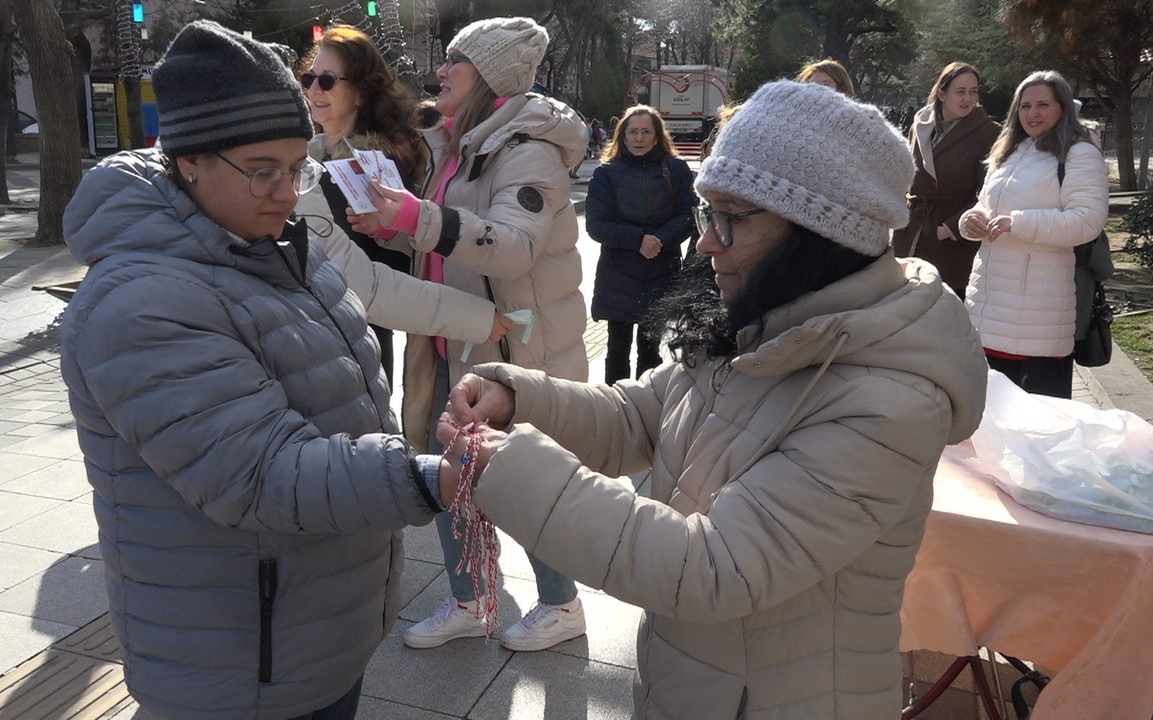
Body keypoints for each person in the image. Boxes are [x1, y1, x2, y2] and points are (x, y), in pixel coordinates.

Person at [439, 80, 988, 718]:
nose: (705, 242)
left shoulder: (889, 400)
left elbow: (714, 568)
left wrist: (510, 470)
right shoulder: (763, 317)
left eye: (731, 217)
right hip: (698, 683)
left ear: (820, 233)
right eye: (706, 212)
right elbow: (640, 417)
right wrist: (518, 399)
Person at [58, 21, 467, 719]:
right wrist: (432, 475)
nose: (286, 193)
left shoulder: (277, 245)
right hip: (240, 666)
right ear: (188, 160)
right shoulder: (141, 301)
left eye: (297, 166)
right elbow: (260, 472)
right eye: (262, 169)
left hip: (311, 632)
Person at [349, 16, 591, 652]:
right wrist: (392, 227)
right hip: (450, 340)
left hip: (510, 349)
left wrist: (412, 214)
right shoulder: (461, 142)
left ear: (488, 75)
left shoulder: (528, 147)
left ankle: (562, 603)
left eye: (455, 62)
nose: (440, 72)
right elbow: (446, 237)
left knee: (518, 482)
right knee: (447, 472)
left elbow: (510, 248)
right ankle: (471, 600)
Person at [960, 70, 1108, 398]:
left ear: (1063, 108)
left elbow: (1087, 221)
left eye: (1043, 104)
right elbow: (984, 205)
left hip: (1039, 315)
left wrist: (1019, 223)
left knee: (1043, 424)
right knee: (991, 419)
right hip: (989, 305)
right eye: (1025, 106)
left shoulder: (1079, 152)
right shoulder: (1010, 150)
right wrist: (970, 221)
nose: (1032, 113)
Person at [296, 25, 429, 385]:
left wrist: (386, 227)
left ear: (359, 95)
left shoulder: (379, 164)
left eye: (326, 81)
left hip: (360, 327)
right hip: (306, 323)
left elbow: (408, 252)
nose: (313, 91)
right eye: (309, 79)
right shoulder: (303, 156)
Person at [586, 104, 695, 383]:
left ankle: (645, 412)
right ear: (622, 136)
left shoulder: (678, 170)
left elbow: (689, 216)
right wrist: (638, 241)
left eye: (646, 131)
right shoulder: (606, 174)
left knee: (651, 353)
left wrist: (660, 239)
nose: (639, 138)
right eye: (633, 132)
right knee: (617, 352)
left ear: (657, 136)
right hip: (619, 275)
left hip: (661, 272)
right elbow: (597, 225)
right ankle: (614, 413)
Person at [891, 62, 1000, 298]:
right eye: (960, 92)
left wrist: (950, 228)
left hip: (952, 242)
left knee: (944, 317)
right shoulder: (920, 126)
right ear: (942, 94)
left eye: (973, 91)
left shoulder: (988, 133)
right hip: (911, 231)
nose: (968, 99)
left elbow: (990, 193)